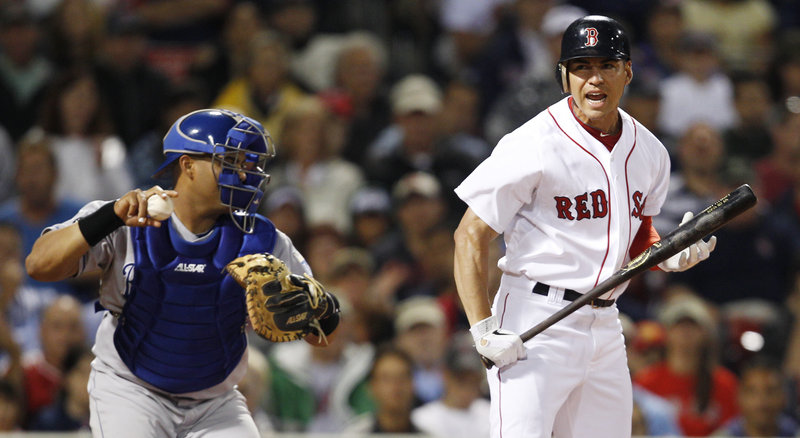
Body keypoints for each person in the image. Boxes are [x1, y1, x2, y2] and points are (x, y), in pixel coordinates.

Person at [452, 15, 716, 438]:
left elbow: (636, 235)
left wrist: (668, 254)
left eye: (606, 65)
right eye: (581, 67)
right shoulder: (532, 143)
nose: (594, 79)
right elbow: (469, 235)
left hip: (606, 324)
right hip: (535, 318)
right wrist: (483, 329)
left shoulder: (650, 151)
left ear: (627, 72)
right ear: (564, 76)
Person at [24, 108, 341, 437]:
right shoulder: (127, 217)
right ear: (187, 164)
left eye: (249, 164)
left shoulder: (262, 238)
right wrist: (108, 217)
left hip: (215, 401)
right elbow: (38, 265)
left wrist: (318, 309)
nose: (246, 175)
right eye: (231, 162)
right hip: (132, 389)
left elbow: (323, 338)